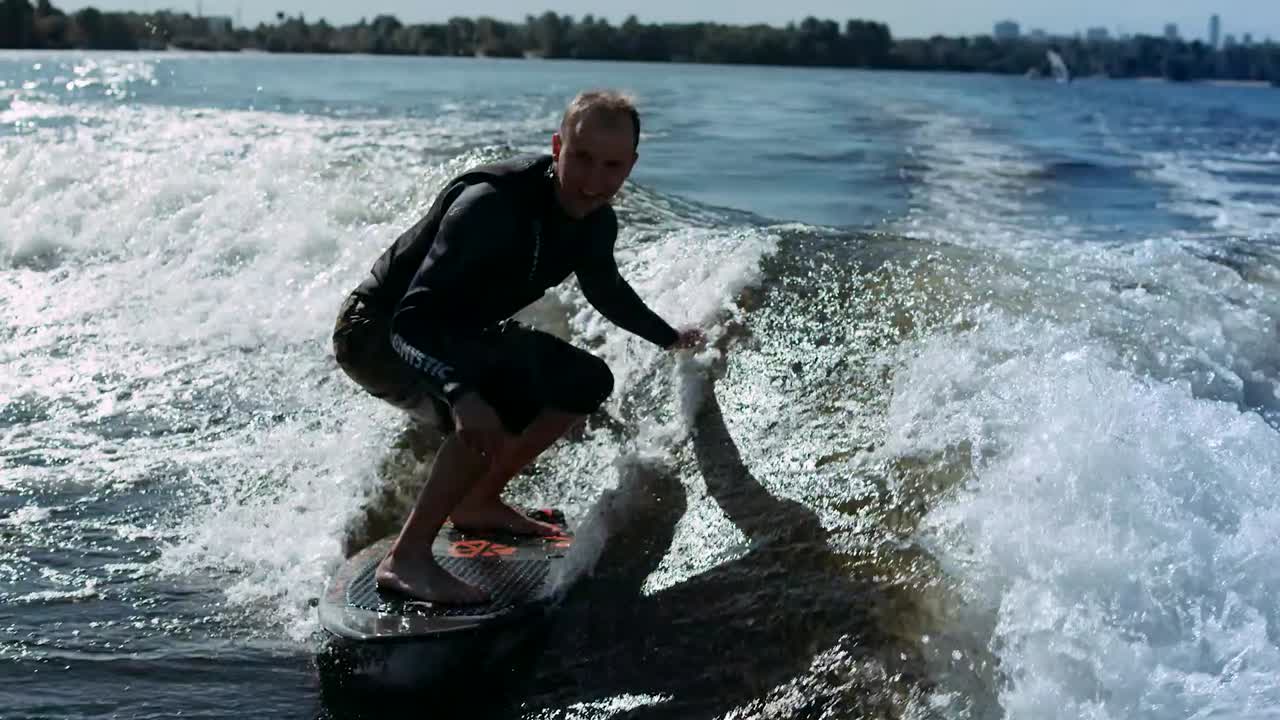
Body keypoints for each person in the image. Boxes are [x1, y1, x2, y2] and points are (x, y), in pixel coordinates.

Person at [332, 90, 703, 604]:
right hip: (376, 332)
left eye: (612, 165)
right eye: (582, 158)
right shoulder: (491, 206)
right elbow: (411, 320)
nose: (594, 180)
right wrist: (461, 393)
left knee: (585, 379)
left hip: (458, 332)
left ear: (632, 165)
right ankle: (408, 558)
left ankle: (479, 500)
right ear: (557, 147)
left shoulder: (595, 220)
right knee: (495, 393)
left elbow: (606, 290)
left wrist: (671, 338)